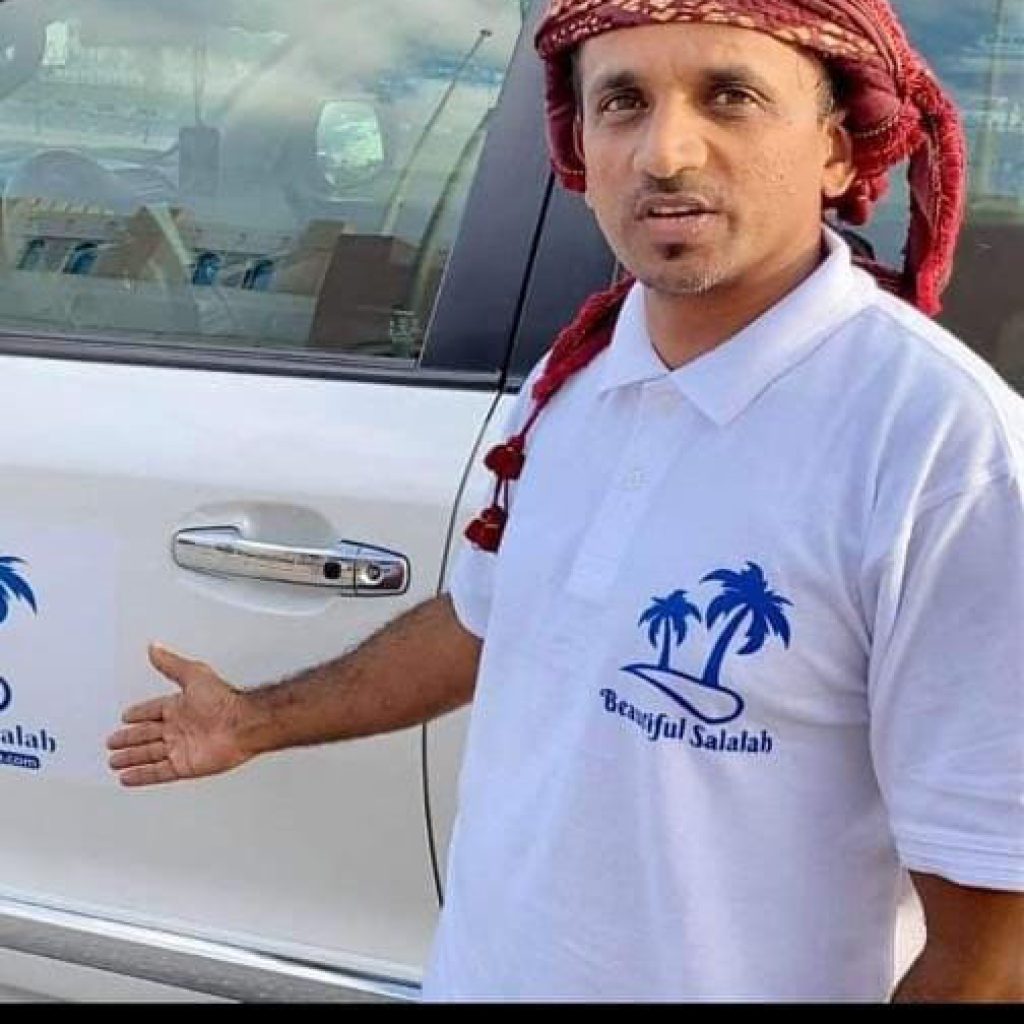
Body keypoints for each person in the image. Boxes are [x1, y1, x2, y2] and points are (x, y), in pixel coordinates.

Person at [107, 0, 1024, 1003]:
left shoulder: (940, 448)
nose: (665, 154)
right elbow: (489, 619)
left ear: (838, 152)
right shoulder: (578, 374)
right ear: (580, 144)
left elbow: (995, 942)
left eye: (729, 95)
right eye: (623, 102)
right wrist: (254, 720)